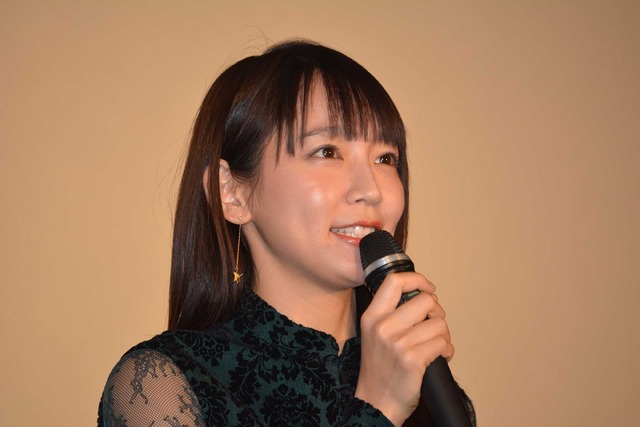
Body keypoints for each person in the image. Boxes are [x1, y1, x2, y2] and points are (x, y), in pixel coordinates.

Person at [98, 40, 475, 427]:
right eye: (327, 151)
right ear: (232, 193)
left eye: (385, 158)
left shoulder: (429, 388)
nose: (372, 190)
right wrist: (380, 407)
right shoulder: (159, 386)